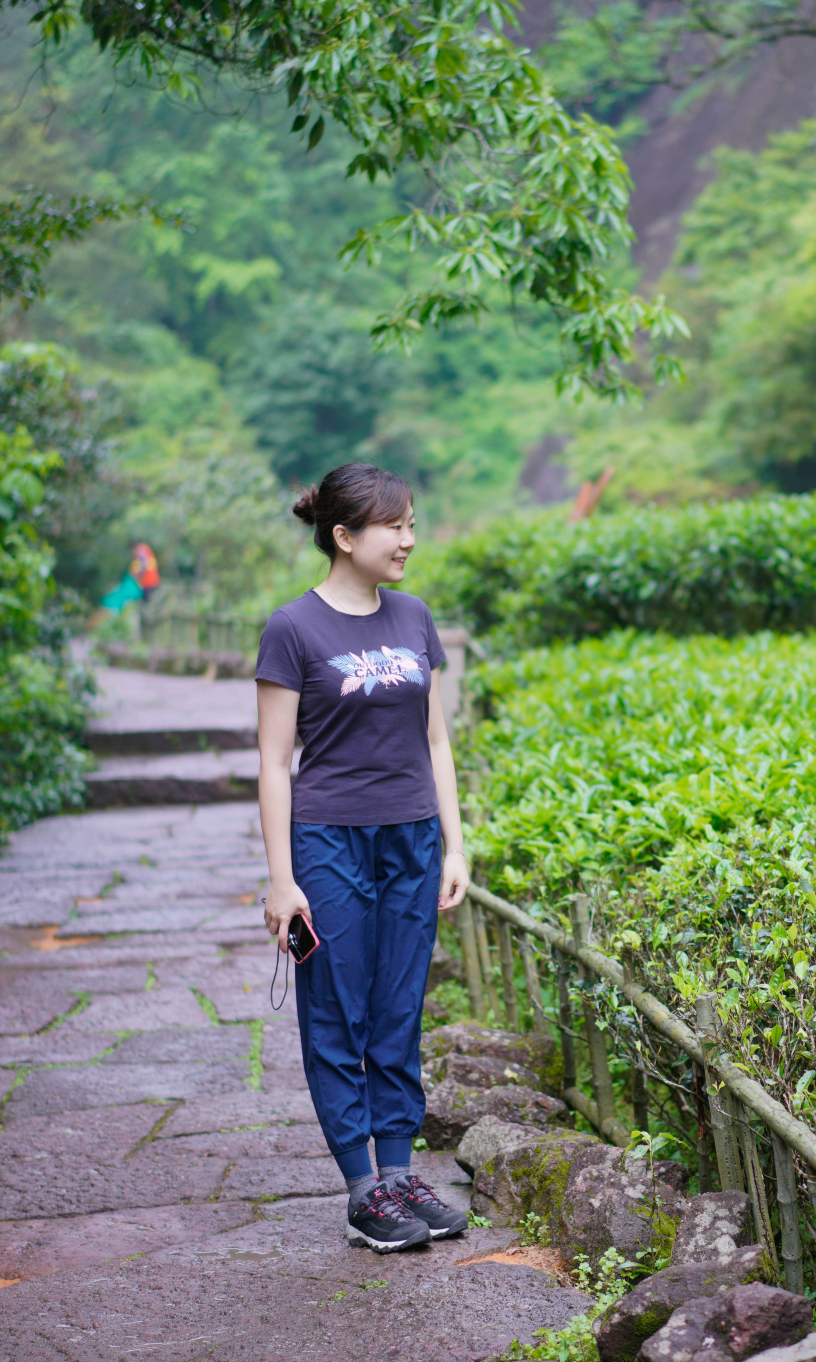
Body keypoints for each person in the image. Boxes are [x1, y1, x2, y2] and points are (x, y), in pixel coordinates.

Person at [254, 463, 471, 1253]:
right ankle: (361, 1188)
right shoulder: (293, 628)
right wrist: (283, 880)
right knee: (337, 1011)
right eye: (395, 526)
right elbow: (273, 762)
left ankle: (400, 1173)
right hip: (328, 841)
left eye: (412, 524)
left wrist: (455, 843)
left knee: (399, 1007)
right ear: (345, 536)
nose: (409, 539)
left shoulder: (414, 616)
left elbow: (436, 739)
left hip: (411, 838)